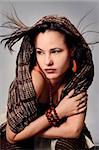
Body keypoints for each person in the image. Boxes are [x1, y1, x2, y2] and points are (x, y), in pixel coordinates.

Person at [0, 14, 95, 150]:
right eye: (40, 52)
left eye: (55, 51)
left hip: (52, 133)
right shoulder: (34, 79)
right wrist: (59, 112)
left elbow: (73, 131)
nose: (47, 62)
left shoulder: (79, 76)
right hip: (20, 128)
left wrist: (29, 130)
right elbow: (12, 135)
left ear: (72, 50)